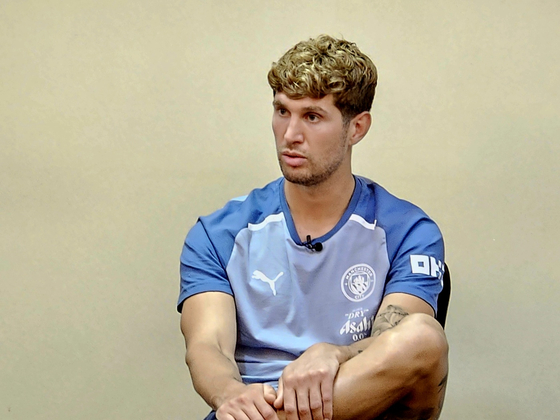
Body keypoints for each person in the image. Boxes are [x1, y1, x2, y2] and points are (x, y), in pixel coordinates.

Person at [178, 34, 448, 420]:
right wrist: (230, 395)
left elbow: (406, 341)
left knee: (425, 336)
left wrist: (334, 353)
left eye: (312, 116)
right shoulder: (219, 233)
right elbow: (207, 348)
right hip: (254, 410)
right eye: (282, 112)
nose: (290, 135)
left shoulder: (408, 231)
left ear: (357, 128)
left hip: (352, 404)